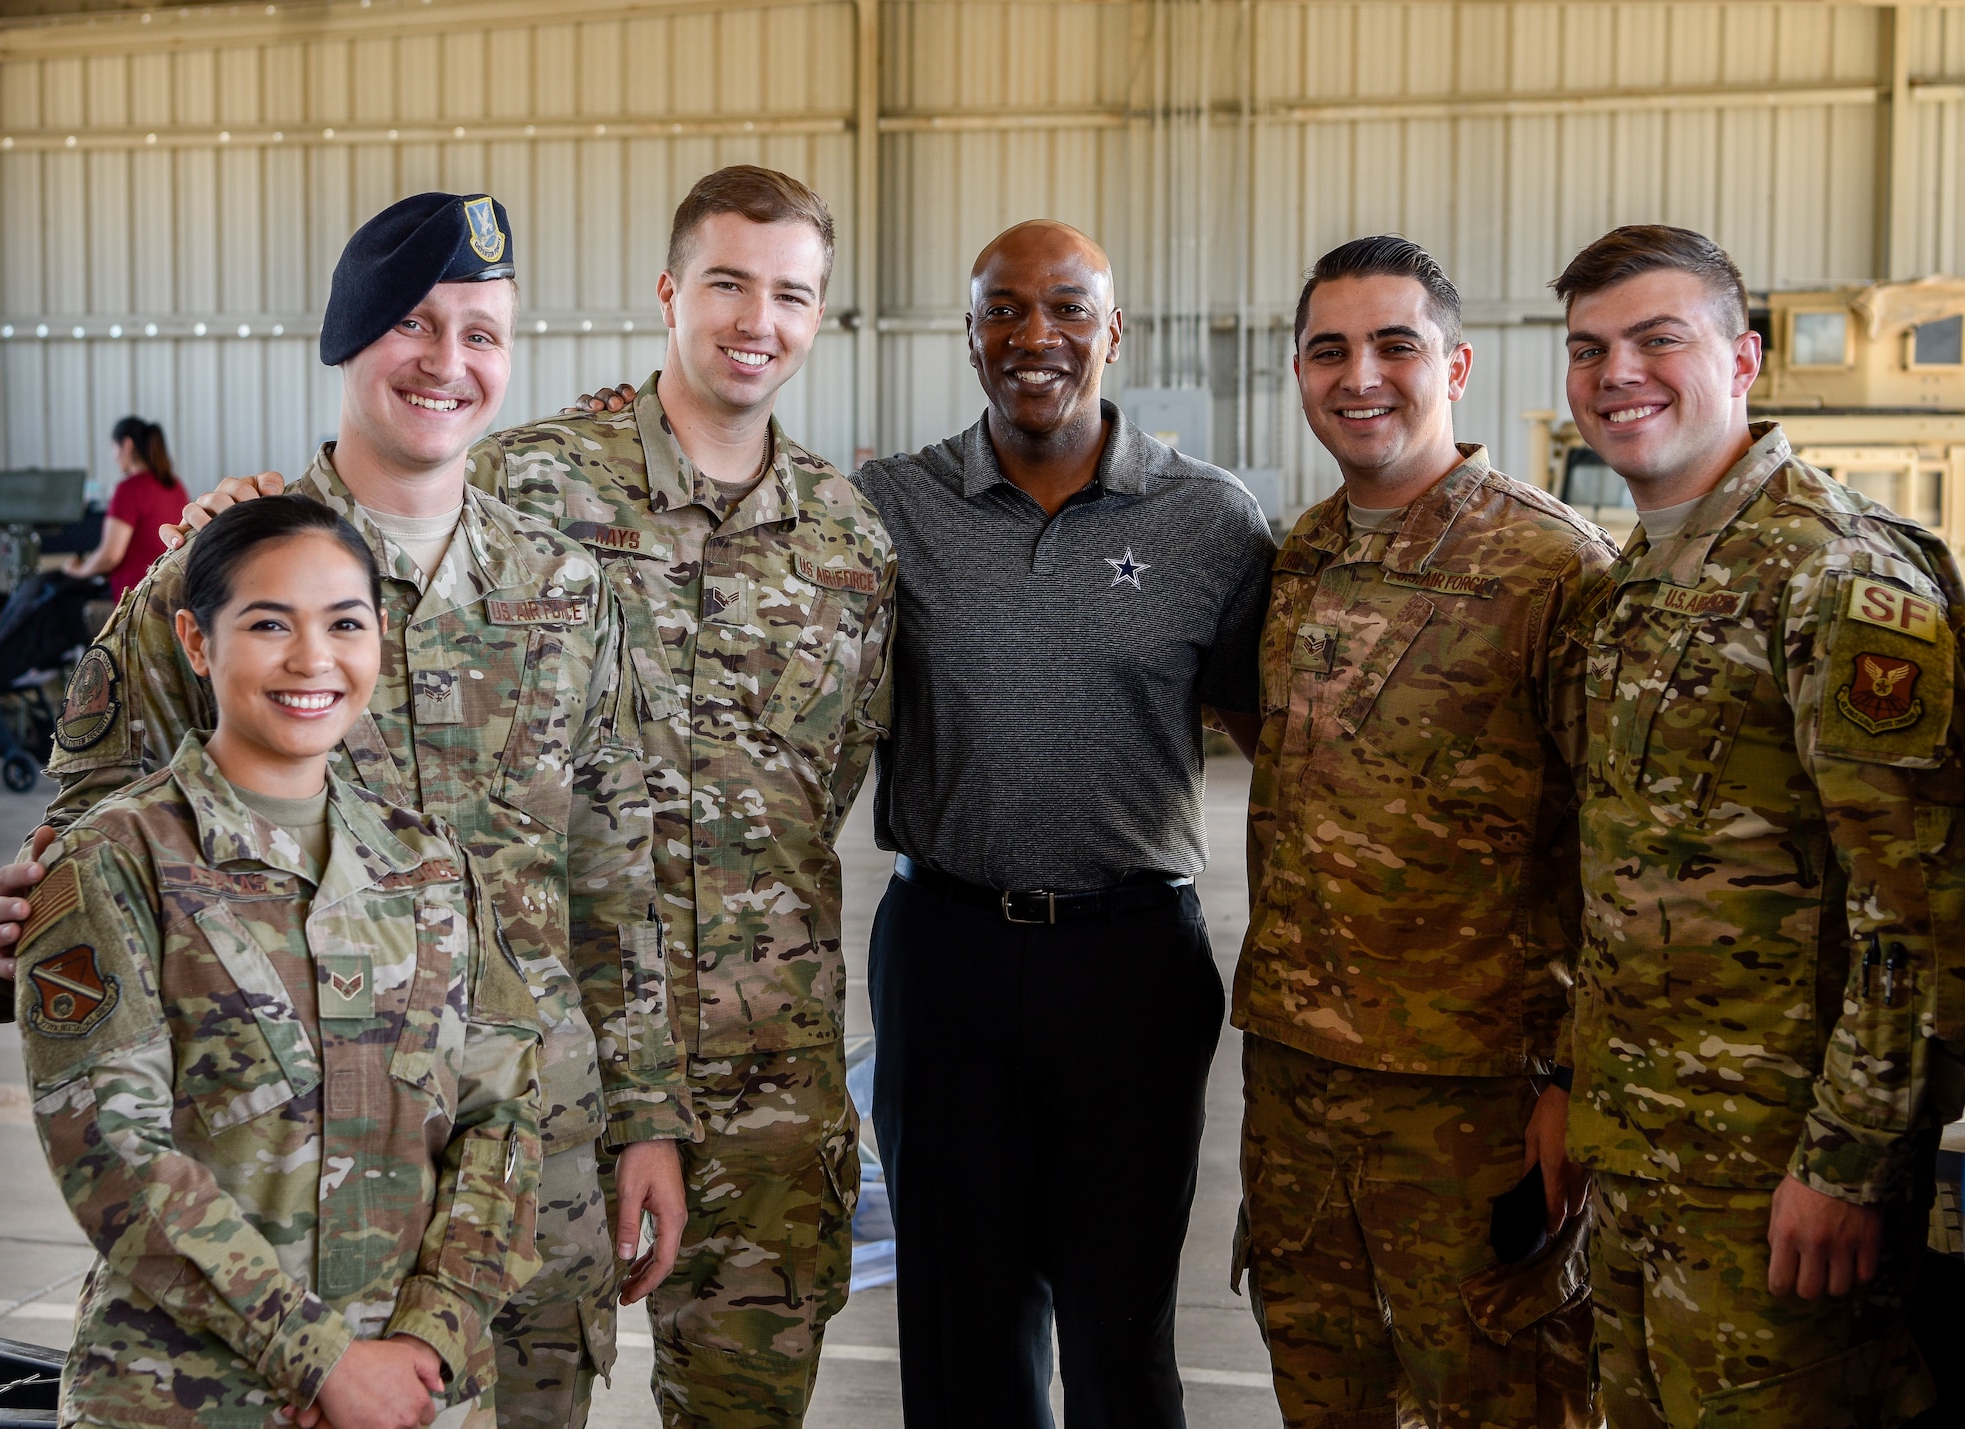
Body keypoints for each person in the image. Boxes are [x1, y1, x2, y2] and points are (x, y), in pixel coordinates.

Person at [150, 166, 892, 1429]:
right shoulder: (530, 486)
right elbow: (379, 498)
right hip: (389, 1109)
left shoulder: (851, 543)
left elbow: (803, 787)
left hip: (727, 1078)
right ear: (669, 292)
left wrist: (641, 1103)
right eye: (723, 282)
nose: (753, 319)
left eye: (788, 293)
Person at [0, 193, 665, 1429]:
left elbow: (615, 873)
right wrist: (9, 933)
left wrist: (649, 1119)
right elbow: (74, 850)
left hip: (523, 1165)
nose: (447, 364)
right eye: (410, 324)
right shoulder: (213, 576)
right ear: (348, 341)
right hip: (264, 1204)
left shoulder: (565, 589)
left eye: (482, 332)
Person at [849, 219, 1272, 1429]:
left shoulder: (1211, 523)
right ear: (969, 332)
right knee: (958, 1327)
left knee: (1119, 1329)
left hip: (1132, 963)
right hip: (947, 954)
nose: (1035, 337)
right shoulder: (887, 510)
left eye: (1068, 309)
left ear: (1113, 330)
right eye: (1003, 310)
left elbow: (1280, 741)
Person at [1555, 224, 1965, 1427]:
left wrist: (1844, 1167)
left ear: (1740, 359)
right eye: (1587, 349)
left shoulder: (1837, 577)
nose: (1614, 372)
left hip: (1773, 1191)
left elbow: (1914, 912)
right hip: (1640, 1163)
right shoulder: (1640, 575)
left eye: (1653, 339)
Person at [16, 494, 543, 1429]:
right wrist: (322, 1360)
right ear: (194, 638)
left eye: (344, 623)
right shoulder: (112, 858)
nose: (313, 659)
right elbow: (116, 1157)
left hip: (416, 1399)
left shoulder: (430, 864)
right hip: (188, 1398)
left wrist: (427, 1342)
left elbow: (503, 1118)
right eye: (268, 624)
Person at [1235, 235, 1609, 1429]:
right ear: (1297, 373)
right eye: (1328, 349)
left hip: (1473, 1107)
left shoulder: (1554, 569)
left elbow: (1621, 846)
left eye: (1394, 345)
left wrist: (1567, 1077)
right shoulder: (1297, 557)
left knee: (1496, 1402)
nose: (1361, 376)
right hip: (1297, 1090)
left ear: (1453, 366)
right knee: (1321, 1394)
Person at [67, 416, 190, 603]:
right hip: (173, 593)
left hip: (134, 597)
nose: (114, 455)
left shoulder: (129, 489)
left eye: (114, 448)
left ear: (127, 445)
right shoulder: (176, 487)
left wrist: (78, 569)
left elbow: (110, 556)